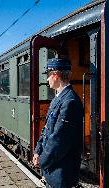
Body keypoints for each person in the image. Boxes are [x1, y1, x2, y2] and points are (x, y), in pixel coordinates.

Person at [32, 58, 83, 188]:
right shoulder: (59, 98)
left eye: (48, 76)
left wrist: (42, 161)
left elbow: (59, 139)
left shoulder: (69, 101)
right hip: (53, 169)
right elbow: (47, 129)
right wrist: (38, 151)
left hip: (61, 173)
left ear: (56, 75)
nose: (47, 80)